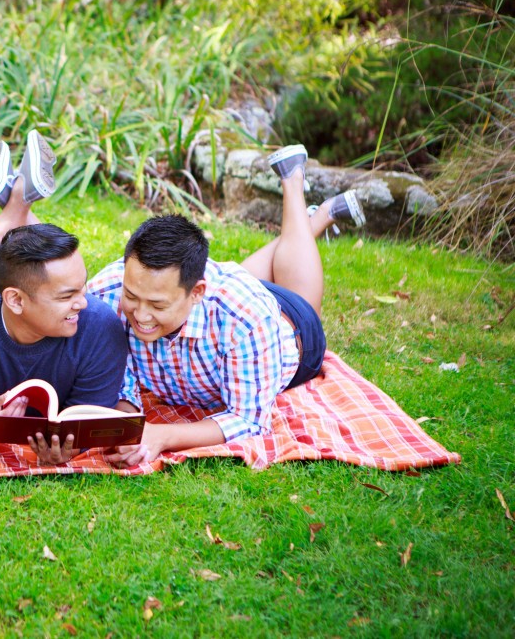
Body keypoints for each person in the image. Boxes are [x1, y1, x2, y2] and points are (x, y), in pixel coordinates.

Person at [90, 144, 366, 467]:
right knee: (242, 276)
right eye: (132, 297)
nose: (140, 314)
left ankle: (298, 187)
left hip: (291, 325)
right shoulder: (108, 291)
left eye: (156, 305)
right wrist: (126, 423)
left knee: (293, 283)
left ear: (197, 292)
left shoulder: (247, 319)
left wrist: (160, 435)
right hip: (230, 290)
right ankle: (307, 223)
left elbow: (247, 419)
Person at [0, 130, 127, 465]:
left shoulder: (101, 327)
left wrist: (74, 448)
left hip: (11, 294)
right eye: (67, 295)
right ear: (15, 300)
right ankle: (18, 198)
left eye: (83, 286)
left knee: (11, 269)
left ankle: (14, 200)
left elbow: (93, 416)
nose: (83, 303)